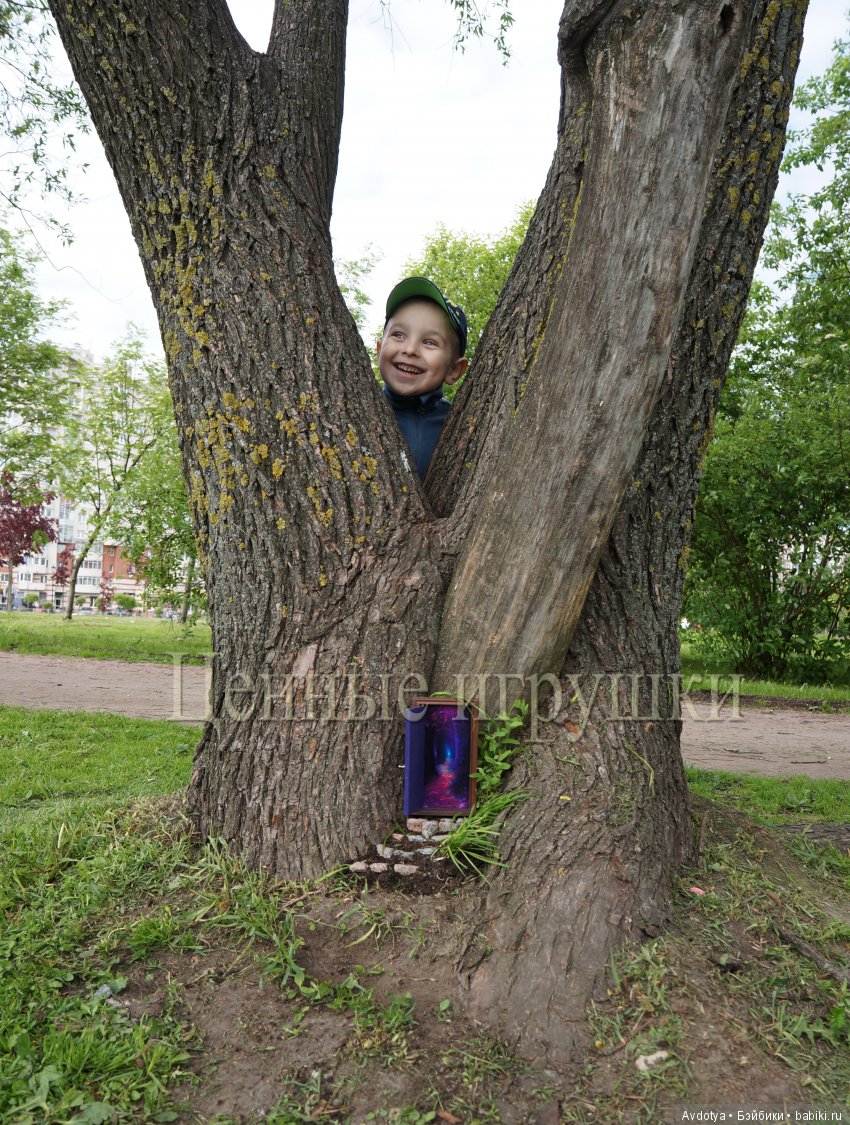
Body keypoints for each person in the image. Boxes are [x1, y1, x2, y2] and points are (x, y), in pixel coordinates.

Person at [377, 276, 468, 480]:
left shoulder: (458, 425)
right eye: (399, 335)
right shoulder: (356, 410)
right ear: (379, 349)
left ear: (454, 370)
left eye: (429, 342)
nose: (410, 349)